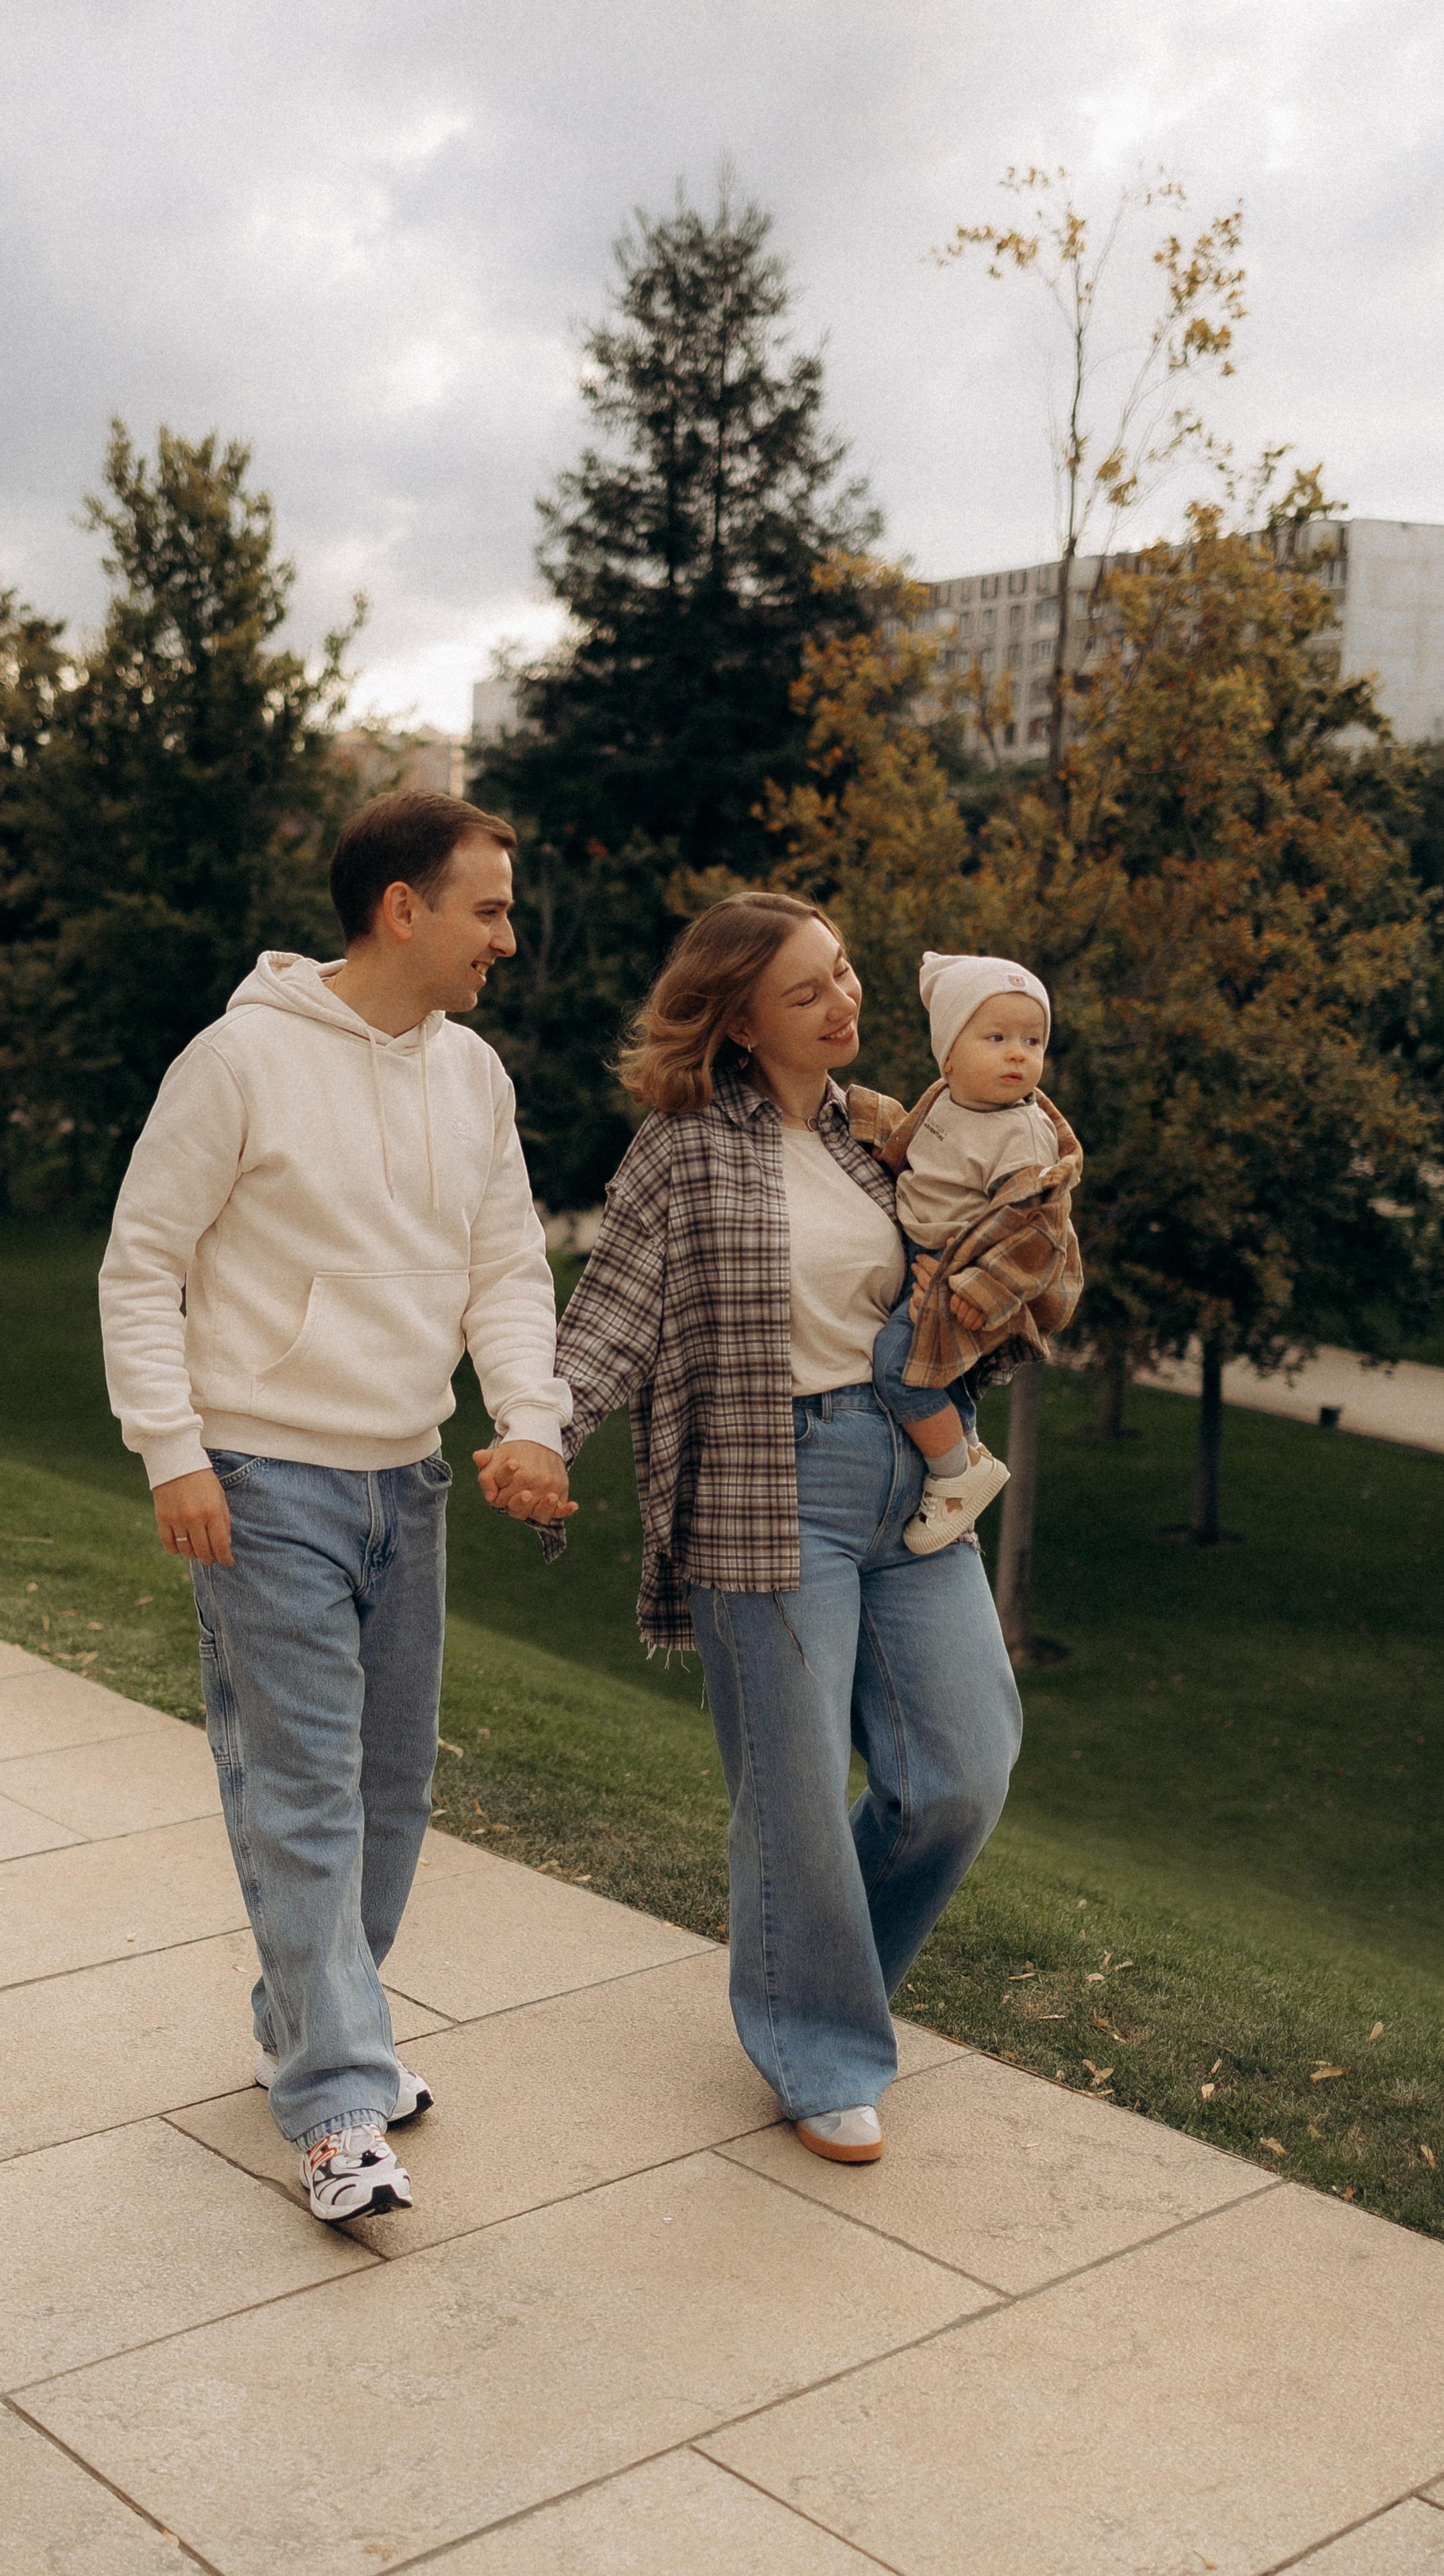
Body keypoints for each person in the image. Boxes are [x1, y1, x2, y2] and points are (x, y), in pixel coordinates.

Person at [483, 891, 1022, 2166]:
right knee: (788, 1798)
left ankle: (810, 1978)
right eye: (805, 993)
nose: (843, 1004)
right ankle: (819, 2046)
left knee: (961, 1772)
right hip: (767, 1486)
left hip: (913, 1477)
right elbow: (611, 1318)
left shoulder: (886, 1135)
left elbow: (967, 1276)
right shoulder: (682, 1149)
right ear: (735, 1017)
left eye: (843, 974)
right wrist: (539, 1436)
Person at [99, 790, 573, 2226]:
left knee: (387, 1792)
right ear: (401, 908)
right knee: (300, 1790)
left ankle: (314, 2028)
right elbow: (140, 1265)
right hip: (260, 1481)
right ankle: (334, 2101)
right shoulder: (238, 1059)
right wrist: (171, 1449)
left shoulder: (472, 1076)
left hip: (403, 1478)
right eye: (487, 908)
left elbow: (507, 1268)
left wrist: (530, 1421)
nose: (506, 936)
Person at [867, 949, 1082, 1558]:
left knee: (897, 1366)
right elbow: (912, 1147)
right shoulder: (944, 1099)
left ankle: (955, 1476)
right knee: (942, 1376)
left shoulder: (1022, 1131)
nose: (1020, 1053)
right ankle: (965, 1445)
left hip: (966, 1271)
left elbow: (1038, 1232)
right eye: (998, 1037)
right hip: (925, 1248)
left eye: (1033, 1040)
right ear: (950, 1055)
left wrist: (980, 1289)